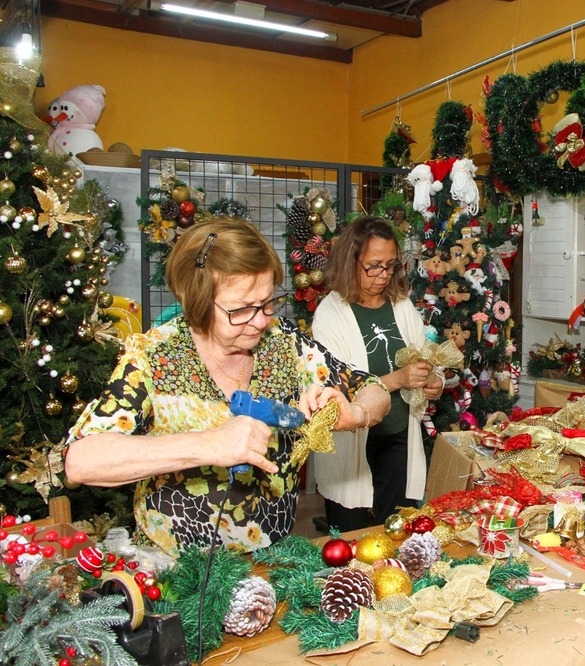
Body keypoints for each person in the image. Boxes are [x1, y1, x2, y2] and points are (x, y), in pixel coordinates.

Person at [63, 217, 391, 555]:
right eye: (241, 310)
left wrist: (355, 412)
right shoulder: (155, 356)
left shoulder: (283, 342)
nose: (262, 320)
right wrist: (209, 444)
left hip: (270, 563)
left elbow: (374, 388)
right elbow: (82, 460)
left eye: (267, 302)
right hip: (174, 570)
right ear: (196, 301)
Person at [312, 215, 443, 532]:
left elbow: (423, 355)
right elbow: (334, 389)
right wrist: (398, 379)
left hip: (398, 437)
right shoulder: (331, 314)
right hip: (352, 443)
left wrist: (433, 381)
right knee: (352, 534)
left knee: (398, 529)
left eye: (391, 265)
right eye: (374, 266)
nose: (384, 275)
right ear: (350, 261)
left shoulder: (401, 305)